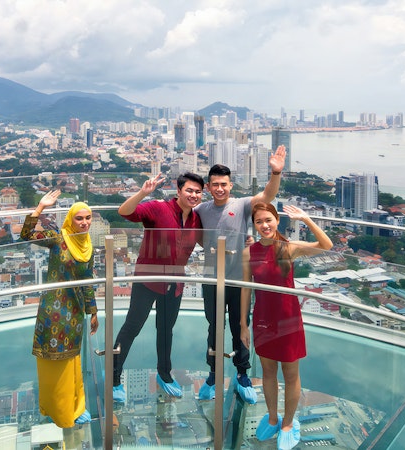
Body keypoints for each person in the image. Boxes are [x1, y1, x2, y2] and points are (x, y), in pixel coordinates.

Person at [195, 145, 287, 403]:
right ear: (208, 187)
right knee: (215, 327)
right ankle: (213, 374)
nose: (220, 189)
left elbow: (267, 196)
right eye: (215, 184)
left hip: (238, 279)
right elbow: (191, 231)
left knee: (240, 326)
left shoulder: (243, 204)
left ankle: (242, 374)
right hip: (212, 278)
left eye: (224, 184)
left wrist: (276, 173)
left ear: (231, 185)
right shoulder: (201, 210)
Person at [240, 203, 333, 450]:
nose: (264, 225)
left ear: (277, 220)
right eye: (259, 222)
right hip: (263, 319)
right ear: (255, 225)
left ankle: (288, 424)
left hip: (288, 319)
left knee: (291, 375)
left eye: (268, 220)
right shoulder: (249, 253)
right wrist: (243, 324)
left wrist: (306, 219)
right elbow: (245, 289)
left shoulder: (288, 248)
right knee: (268, 373)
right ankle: (272, 418)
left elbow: (326, 245)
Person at [112, 172, 204, 402]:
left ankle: (164, 373)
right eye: (189, 190)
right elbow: (124, 212)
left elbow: (208, 241)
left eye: (198, 192)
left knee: (165, 330)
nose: (193, 195)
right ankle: (113, 377)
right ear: (178, 190)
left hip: (175, 284)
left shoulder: (196, 220)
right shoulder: (157, 208)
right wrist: (143, 193)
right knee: (132, 326)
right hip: (148, 279)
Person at [20, 189, 99, 428]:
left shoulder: (87, 245)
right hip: (53, 309)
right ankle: (57, 410)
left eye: (87, 218)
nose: (84, 223)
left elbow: (86, 280)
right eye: (79, 218)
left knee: (72, 360)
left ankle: (75, 406)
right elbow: (26, 235)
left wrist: (92, 311)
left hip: (74, 310)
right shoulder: (58, 237)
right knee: (55, 361)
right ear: (70, 219)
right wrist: (40, 207)